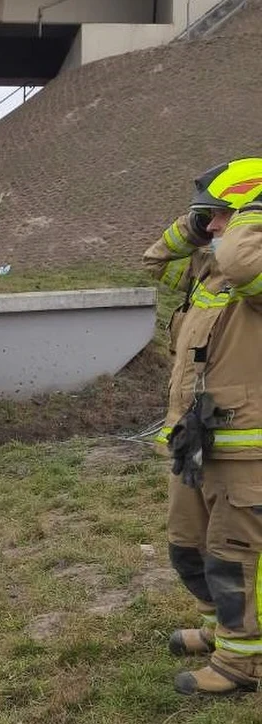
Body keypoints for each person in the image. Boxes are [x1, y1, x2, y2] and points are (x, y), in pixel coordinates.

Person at [144, 157, 262, 694]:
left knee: (235, 557)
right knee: (188, 546)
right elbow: (155, 261)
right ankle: (220, 631)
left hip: (245, 448)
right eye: (205, 216)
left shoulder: (249, 272)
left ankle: (243, 662)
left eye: (219, 215)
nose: (211, 226)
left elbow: (243, 261)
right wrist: (192, 226)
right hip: (196, 437)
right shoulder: (209, 269)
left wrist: (250, 215)